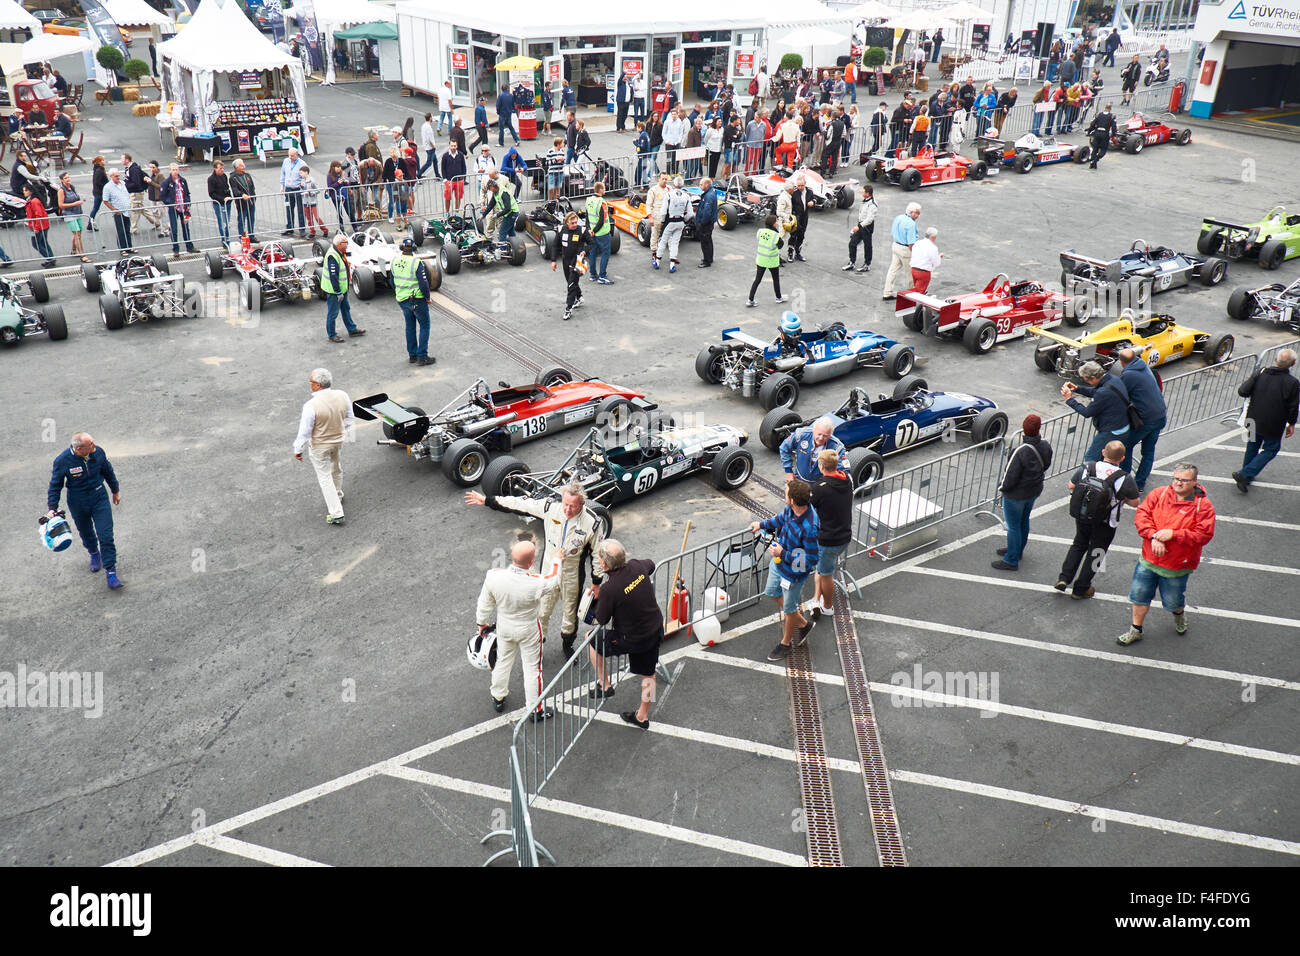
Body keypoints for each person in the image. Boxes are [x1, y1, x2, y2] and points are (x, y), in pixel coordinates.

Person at [467, 482, 605, 661]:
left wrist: (596, 582)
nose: (568, 510)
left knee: (570, 614)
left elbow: (598, 553)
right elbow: (521, 504)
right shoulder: (550, 508)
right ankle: (538, 644)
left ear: (582, 504)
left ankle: (567, 644)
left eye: (573, 506)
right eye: (565, 504)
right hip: (548, 572)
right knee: (542, 612)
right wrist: (488, 501)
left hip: (572, 576)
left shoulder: (593, 523)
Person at [1121, 463, 1216, 645]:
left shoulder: (1203, 506)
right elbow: (1142, 515)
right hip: (1148, 559)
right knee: (1139, 596)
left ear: (1195, 482)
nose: (1178, 483)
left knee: (1173, 601)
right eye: (1176, 479)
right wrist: (1154, 536)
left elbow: (1203, 535)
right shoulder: (1159, 494)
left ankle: (1178, 614)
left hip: (1176, 565)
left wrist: (1173, 534)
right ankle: (1135, 629)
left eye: (1184, 480)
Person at [477, 535, 564, 718]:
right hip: (529, 629)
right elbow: (554, 579)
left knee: (502, 661)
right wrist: (557, 560)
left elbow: (484, 604)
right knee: (533, 669)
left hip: (505, 627)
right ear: (532, 560)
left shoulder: (494, 576)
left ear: (511, 555)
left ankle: (498, 697)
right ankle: (535, 709)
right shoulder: (536, 582)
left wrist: (481, 623)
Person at [585, 539, 663, 728]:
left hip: (631, 638)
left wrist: (598, 600)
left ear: (604, 565)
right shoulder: (637, 566)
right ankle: (642, 716)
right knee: (649, 675)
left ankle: (605, 685)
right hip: (653, 628)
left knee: (591, 638)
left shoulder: (609, 589)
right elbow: (651, 564)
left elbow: (601, 619)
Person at [1056, 440, 1141, 599]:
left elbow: (1071, 485)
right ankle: (1081, 588)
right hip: (1106, 521)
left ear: (1103, 452)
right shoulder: (1124, 478)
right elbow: (1135, 502)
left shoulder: (1088, 467)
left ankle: (1064, 578)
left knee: (1079, 544)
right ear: (1122, 458)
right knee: (1097, 552)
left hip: (1084, 514)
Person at [751, 480, 820, 662]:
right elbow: (779, 519)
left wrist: (784, 553)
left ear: (793, 500)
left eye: (786, 492)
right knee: (771, 592)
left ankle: (785, 643)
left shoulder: (810, 527)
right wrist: (761, 524)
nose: (784, 493)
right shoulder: (790, 510)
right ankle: (804, 624)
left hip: (793, 573)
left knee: (789, 609)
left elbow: (812, 559)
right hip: (779, 561)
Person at [47, 433, 124, 589]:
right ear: (79, 449)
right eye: (91, 445)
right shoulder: (62, 461)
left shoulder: (98, 453)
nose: (94, 446)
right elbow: (55, 485)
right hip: (78, 502)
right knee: (86, 532)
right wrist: (52, 509)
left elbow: (108, 471)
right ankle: (94, 553)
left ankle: (111, 572)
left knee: (106, 535)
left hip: (99, 498)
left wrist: (115, 490)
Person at [292, 368, 355, 526]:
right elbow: (349, 418)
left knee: (325, 477)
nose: (310, 385)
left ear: (318, 385)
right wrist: (343, 433)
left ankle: (336, 513)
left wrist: (298, 449)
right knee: (336, 468)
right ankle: (338, 494)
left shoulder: (311, 406)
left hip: (320, 445)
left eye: (311, 382)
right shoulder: (342, 395)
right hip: (337, 441)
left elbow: (305, 431)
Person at [992, 414, 1053, 571]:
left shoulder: (1019, 451)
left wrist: (1002, 489)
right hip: (1034, 490)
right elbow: (1046, 465)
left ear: (1024, 429)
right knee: (1023, 521)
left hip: (1016, 495)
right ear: (1039, 428)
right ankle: (1017, 550)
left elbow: (1009, 477)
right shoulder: (1045, 445)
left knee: (1013, 527)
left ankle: (1011, 560)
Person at [1234, 349, 1299, 492]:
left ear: (1276, 359)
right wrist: (1292, 424)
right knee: (1271, 449)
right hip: (1273, 423)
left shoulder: (1261, 373)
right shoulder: (1292, 382)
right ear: (1293, 364)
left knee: (1252, 447)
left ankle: (1246, 478)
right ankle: (1245, 474)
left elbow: (1243, 391)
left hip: (1253, 418)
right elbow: (1293, 407)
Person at [807, 448, 853, 617]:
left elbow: (808, 509)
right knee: (821, 569)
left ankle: (827, 606)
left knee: (826, 574)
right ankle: (816, 599)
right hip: (844, 535)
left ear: (821, 465)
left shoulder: (820, 488)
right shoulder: (846, 479)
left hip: (828, 540)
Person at [1115, 348, 1167, 490]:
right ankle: (1140, 484)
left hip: (1146, 420)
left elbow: (1119, 394)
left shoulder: (1128, 375)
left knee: (1126, 446)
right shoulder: (1143, 366)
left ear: (1121, 362)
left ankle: (1126, 482)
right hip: (1160, 416)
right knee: (1148, 451)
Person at [1063, 360, 1133, 464]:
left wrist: (1069, 400)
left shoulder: (1103, 392)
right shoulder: (1113, 379)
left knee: (1091, 459)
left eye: (1087, 380)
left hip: (1111, 431)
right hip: (1123, 426)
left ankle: (1089, 478)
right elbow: (1096, 391)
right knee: (1109, 459)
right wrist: (1078, 389)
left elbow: (1087, 412)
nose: (1087, 382)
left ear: (1093, 378)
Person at [389, 236, 435, 367]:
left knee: (410, 326)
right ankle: (422, 356)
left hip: (402, 299)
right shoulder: (416, 262)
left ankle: (412, 355)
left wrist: (400, 291)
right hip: (416, 299)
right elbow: (423, 283)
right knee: (425, 326)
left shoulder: (394, 261)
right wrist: (427, 297)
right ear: (414, 248)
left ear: (402, 248)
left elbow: (391, 281)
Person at [321, 233, 365, 343]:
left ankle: (352, 329)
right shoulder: (333, 256)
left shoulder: (339, 252)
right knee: (333, 313)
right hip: (334, 291)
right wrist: (338, 292)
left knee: (346, 309)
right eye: (346, 243)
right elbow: (333, 276)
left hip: (342, 289)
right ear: (340, 244)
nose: (347, 244)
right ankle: (332, 335)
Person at [780, 413, 848, 483]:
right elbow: (784, 447)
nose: (821, 438)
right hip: (798, 479)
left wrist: (829, 484)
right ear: (813, 430)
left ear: (830, 435)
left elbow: (844, 471)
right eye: (819, 434)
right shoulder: (801, 435)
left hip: (820, 485)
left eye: (825, 436)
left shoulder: (837, 447)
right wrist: (788, 471)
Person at [554, 209, 590, 321]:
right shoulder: (561, 230)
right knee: (570, 282)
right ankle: (579, 297)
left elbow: (592, 242)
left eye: (576, 222)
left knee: (570, 284)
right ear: (567, 223)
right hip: (566, 260)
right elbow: (555, 246)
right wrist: (553, 260)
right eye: (572, 223)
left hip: (577, 262)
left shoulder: (582, 230)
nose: (575, 225)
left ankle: (568, 309)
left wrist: (585, 250)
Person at [654, 175, 693, 273]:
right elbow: (691, 213)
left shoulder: (669, 195)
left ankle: (657, 261)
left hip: (670, 221)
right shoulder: (686, 196)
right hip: (680, 221)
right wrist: (684, 219)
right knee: (675, 242)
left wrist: (663, 221)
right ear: (682, 184)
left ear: (674, 184)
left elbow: (663, 211)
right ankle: (672, 264)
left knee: (663, 241)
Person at [747, 213, 787, 307]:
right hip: (771, 261)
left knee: (757, 280)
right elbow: (780, 245)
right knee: (775, 279)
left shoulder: (760, 231)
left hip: (761, 260)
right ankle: (778, 297)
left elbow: (760, 240)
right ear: (773, 224)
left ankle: (750, 299)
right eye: (776, 221)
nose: (777, 223)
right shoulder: (775, 235)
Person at [883, 202, 921, 300]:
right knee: (910, 273)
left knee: (893, 270)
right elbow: (911, 243)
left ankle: (887, 292)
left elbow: (893, 232)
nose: (918, 215)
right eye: (917, 213)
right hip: (905, 250)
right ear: (911, 212)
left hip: (896, 245)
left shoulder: (898, 218)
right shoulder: (911, 224)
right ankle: (913, 294)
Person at [158, 163, 197, 257]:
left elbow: (187, 194)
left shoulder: (183, 181)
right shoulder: (166, 182)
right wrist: (170, 204)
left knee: (186, 228)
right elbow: (162, 196)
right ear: (170, 170)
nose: (175, 171)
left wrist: (188, 203)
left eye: (176, 169)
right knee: (174, 229)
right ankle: (176, 249)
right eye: (173, 170)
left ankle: (189, 246)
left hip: (183, 208)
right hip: (173, 209)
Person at [122, 152, 160, 238]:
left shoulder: (133, 170)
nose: (121, 160)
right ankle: (156, 222)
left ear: (127, 160)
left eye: (122, 159)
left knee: (134, 210)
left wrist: (126, 185)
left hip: (136, 193)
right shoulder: (129, 168)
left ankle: (133, 228)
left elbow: (136, 183)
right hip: (135, 192)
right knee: (142, 209)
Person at [584, 181, 614, 283]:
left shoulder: (588, 200)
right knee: (605, 253)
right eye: (604, 188)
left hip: (591, 232)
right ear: (600, 190)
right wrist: (595, 230)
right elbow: (602, 219)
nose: (605, 190)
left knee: (592, 253)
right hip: (602, 233)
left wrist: (589, 229)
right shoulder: (601, 202)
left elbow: (587, 216)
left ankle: (593, 275)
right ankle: (602, 276)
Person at [844, 182, 875, 273]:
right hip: (860, 225)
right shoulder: (864, 201)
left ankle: (867, 264)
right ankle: (852, 262)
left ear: (868, 194)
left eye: (863, 192)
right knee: (852, 243)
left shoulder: (872, 204)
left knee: (867, 246)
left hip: (867, 227)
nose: (862, 193)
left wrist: (859, 226)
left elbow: (869, 219)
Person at [57, 171, 86, 263]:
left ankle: (74, 250)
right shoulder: (61, 190)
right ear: (62, 180)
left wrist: (80, 201)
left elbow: (75, 198)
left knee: (78, 234)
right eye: (66, 178)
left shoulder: (72, 187)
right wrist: (75, 203)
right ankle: (82, 255)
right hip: (69, 214)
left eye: (68, 177)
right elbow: (61, 205)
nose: (68, 179)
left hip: (77, 212)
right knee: (77, 234)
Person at [102, 168, 133, 255]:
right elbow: (105, 200)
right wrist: (114, 209)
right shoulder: (107, 187)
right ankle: (122, 249)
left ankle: (129, 247)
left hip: (126, 210)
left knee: (127, 229)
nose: (118, 177)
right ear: (111, 176)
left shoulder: (122, 183)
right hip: (118, 212)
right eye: (116, 176)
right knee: (121, 230)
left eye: (118, 176)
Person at [22, 184, 54, 267]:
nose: (24, 192)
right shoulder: (32, 200)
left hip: (38, 227)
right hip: (41, 225)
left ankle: (50, 258)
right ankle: (51, 258)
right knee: (43, 242)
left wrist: (36, 228)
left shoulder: (33, 201)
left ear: (30, 191)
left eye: (25, 190)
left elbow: (38, 215)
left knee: (35, 244)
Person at [906, 226, 942, 295]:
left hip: (914, 270)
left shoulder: (917, 243)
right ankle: (918, 305)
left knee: (916, 289)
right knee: (919, 293)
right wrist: (939, 257)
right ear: (933, 237)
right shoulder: (933, 248)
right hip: (923, 273)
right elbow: (936, 263)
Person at [229, 158, 257, 240]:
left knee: (251, 218)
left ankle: (252, 236)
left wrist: (253, 197)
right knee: (241, 220)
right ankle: (242, 236)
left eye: (243, 164)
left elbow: (252, 187)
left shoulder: (247, 175)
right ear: (236, 168)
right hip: (241, 203)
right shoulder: (233, 178)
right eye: (241, 165)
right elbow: (235, 190)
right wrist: (242, 195)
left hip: (251, 201)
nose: (244, 166)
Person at [280, 147, 305, 236]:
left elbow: (305, 176)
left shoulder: (302, 163)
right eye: (289, 155)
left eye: (292, 156)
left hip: (297, 189)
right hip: (288, 189)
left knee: (300, 210)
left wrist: (303, 183)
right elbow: (283, 174)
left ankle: (302, 229)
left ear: (297, 155)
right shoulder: (286, 161)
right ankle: (289, 227)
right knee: (289, 209)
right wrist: (282, 186)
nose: (290, 157)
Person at [207, 159, 231, 246]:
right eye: (220, 168)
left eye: (222, 168)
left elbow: (227, 187)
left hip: (227, 202)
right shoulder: (211, 179)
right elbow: (211, 193)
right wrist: (222, 199)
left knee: (227, 222)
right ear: (215, 169)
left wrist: (229, 196)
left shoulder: (224, 176)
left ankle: (228, 238)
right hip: (219, 204)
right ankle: (224, 239)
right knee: (222, 222)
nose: (222, 170)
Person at [1086, 104, 1116, 170]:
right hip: (1105, 134)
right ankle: (1096, 159)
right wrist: (1114, 135)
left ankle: (1092, 162)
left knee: (1095, 149)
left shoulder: (1099, 114)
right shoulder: (1112, 116)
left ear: (1105, 108)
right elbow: (1114, 127)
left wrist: (1089, 131)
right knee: (1103, 149)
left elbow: (1093, 124)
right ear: (1110, 109)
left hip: (1097, 133)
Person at [440, 140, 466, 213]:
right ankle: (447, 213)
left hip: (459, 180)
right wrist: (445, 179)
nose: (453, 147)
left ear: (457, 146)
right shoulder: (445, 156)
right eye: (452, 146)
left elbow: (464, 167)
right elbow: (443, 168)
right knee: (447, 198)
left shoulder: (460, 155)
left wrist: (463, 178)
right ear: (449, 146)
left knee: (458, 197)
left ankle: (456, 212)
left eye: (455, 146)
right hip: (449, 180)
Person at [87, 156, 107, 232]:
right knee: (95, 208)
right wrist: (105, 187)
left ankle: (90, 222)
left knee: (95, 208)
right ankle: (90, 223)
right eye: (103, 160)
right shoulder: (99, 170)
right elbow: (97, 182)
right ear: (99, 162)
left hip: (98, 192)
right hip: (100, 192)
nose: (104, 161)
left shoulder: (98, 169)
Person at [543, 136, 565, 203]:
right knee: (551, 188)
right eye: (562, 143)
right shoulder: (550, 151)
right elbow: (547, 163)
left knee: (558, 187)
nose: (563, 144)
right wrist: (556, 159)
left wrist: (562, 160)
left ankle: (556, 202)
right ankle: (550, 201)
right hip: (552, 173)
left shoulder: (562, 151)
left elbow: (563, 163)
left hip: (560, 172)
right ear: (558, 144)